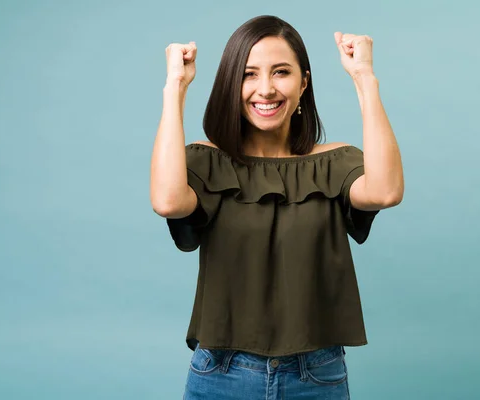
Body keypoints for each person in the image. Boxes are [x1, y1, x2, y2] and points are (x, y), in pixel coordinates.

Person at [150, 14, 403, 400]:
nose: (265, 89)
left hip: (316, 376)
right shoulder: (206, 162)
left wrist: (364, 78)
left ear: (303, 82)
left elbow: (385, 191)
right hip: (221, 374)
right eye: (249, 74)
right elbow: (168, 201)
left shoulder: (334, 161)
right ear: (232, 86)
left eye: (281, 72)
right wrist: (175, 88)